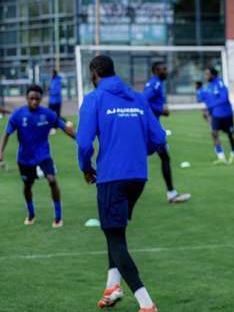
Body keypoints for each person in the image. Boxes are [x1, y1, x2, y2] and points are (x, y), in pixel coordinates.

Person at [77, 55, 163, 312]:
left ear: (94, 72)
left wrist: (86, 168)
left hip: (112, 177)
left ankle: (146, 303)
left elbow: (84, 144)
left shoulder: (94, 98)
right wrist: (139, 152)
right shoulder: (137, 97)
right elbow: (159, 138)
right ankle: (112, 286)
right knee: (115, 231)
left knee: (114, 236)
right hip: (138, 177)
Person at [0, 84, 75, 227]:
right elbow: (6, 134)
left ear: (41, 99)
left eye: (37, 99)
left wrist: (80, 140)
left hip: (43, 156)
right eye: (31, 98)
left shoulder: (48, 114)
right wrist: (1, 152)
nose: (34, 101)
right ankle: (31, 214)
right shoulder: (18, 115)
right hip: (25, 158)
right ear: (26, 98)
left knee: (52, 180)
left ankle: (58, 217)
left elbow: (64, 128)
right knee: (28, 186)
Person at [143, 62, 190, 203]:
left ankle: (171, 193)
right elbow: (143, 100)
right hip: (150, 127)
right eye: (163, 69)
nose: (166, 71)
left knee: (161, 156)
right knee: (163, 157)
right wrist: (160, 109)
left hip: (152, 125)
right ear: (156, 71)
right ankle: (171, 193)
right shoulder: (155, 84)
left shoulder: (158, 83)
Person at [203, 67, 234, 164]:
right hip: (216, 115)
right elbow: (208, 100)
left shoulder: (220, 83)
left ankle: (233, 153)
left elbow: (224, 98)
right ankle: (221, 157)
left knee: (230, 135)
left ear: (213, 75)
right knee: (214, 133)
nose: (205, 76)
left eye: (207, 74)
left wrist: (211, 105)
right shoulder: (208, 86)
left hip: (226, 114)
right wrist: (208, 112)